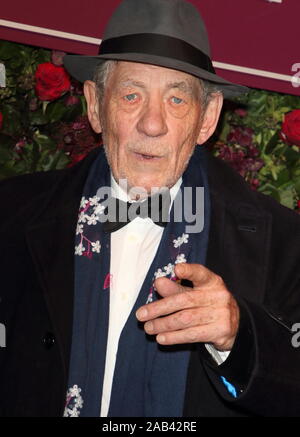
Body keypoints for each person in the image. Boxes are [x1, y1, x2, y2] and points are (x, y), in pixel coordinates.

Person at [0, 0, 300, 417]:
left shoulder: (286, 243)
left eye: (177, 101)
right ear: (95, 105)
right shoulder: (10, 216)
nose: (153, 124)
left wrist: (239, 334)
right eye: (131, 95)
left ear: (207, 119)